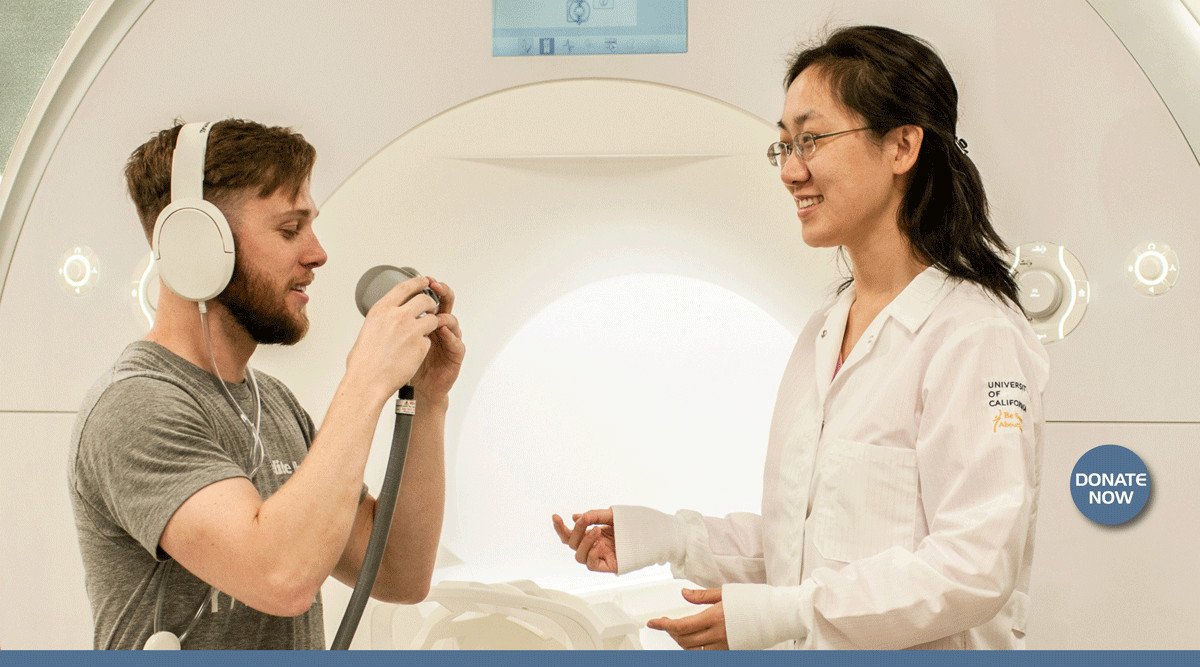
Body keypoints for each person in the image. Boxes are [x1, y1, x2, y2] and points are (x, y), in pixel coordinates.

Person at [554, 26, 1049, 650]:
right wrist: (665, 537)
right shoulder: (826, 328)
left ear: (902, 146)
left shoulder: (973, 336)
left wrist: (780, 616)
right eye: (783, 145)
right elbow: (813, 543)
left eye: (811, 140)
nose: (791, 171)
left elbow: (974, 567)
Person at [67, 119, 465, 649]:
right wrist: (366, 379)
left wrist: (429, 399)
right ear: (196, 244)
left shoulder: (273, 404)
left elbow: (399, 572)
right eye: (288, 229)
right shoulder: (135, 405)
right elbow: (278, 578)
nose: (318, 253)